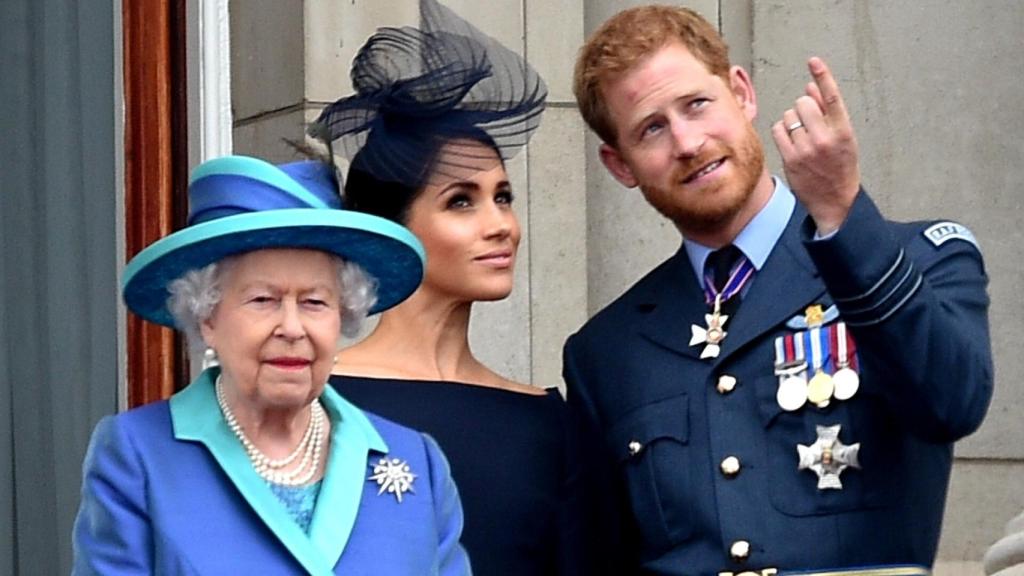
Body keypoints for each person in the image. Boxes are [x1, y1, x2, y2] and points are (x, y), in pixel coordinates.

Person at [563, 5, 993, 575]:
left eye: (697, 104)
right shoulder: (606, 352)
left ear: (741, 93)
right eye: (652, 128)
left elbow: (952, 403)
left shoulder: (917, 258)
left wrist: (841, 215)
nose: (688, 142)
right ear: (621, 165)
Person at [72, 155, 471, 575]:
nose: (292, 327)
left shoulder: (417, 461)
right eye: (263, 300)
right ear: (207, 317)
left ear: (344, 315)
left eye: (314, 302)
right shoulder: (138, 455)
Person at [309, 1, 596, 574]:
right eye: (461, 201)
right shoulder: (314, 399)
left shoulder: (548, 420)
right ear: (396, 230)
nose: (501, 225)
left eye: (504, 197)